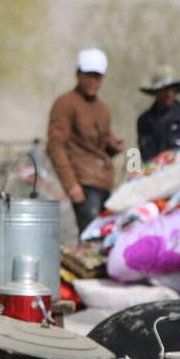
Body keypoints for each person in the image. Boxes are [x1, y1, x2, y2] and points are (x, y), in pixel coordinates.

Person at [47, 47, 125, 237]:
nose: (92, 81)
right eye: (88, 75)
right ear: (78, 74)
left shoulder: (103, 108)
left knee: (106, 238)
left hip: (104, 183)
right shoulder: (65, 104)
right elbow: (55, 146)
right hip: (83, 184)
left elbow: (99, 142)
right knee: (91, 238)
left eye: (97, 77)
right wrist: (71, 185)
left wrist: (113, 144)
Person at [136, 64, 180, 163]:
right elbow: (144, 154)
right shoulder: (145, 121)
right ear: (156, 92)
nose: (169, 94)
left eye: (172, 89)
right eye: (164, 90)